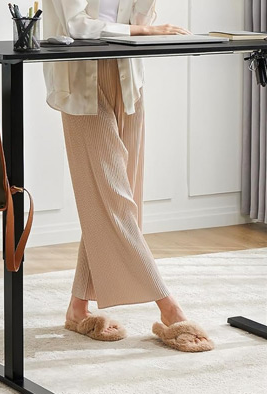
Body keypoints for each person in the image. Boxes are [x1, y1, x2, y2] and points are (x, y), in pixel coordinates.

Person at [42, 0, 214, 352]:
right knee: (113, 199)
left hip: (128, 80)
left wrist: (147, 18)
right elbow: (78, 26)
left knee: (119, 200)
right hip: (80, 81)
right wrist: (146, 30)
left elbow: (139, 17)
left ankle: (77, 310)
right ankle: (169, 308)